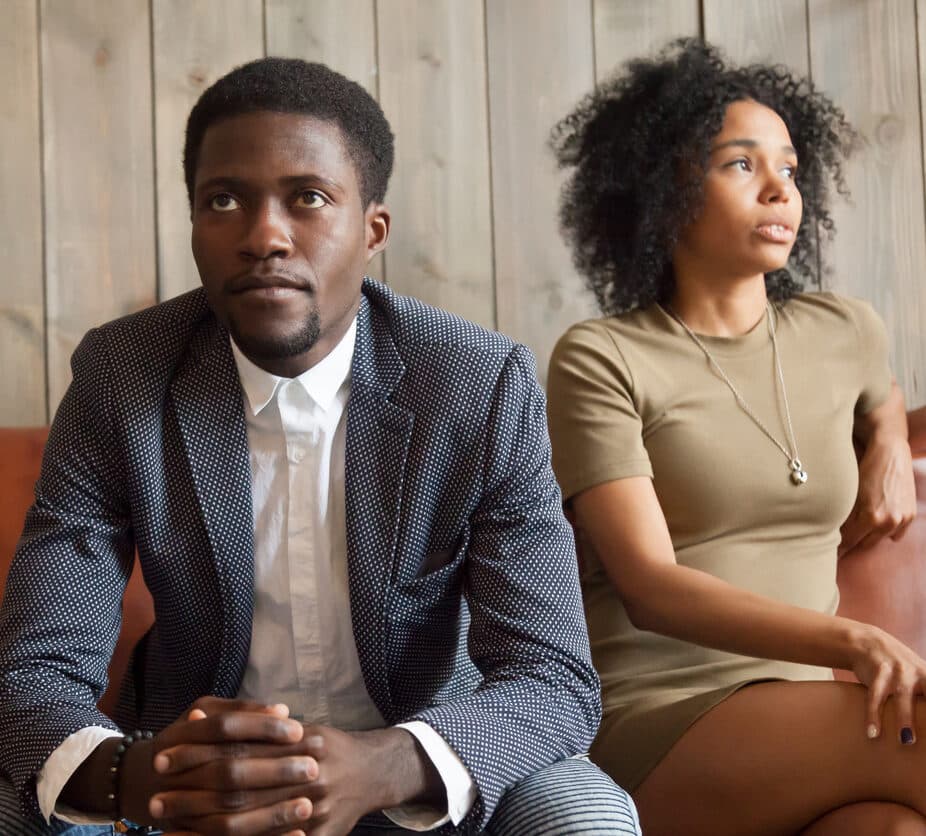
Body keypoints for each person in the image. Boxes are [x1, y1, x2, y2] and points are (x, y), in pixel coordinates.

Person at [0, 58, 640, 836]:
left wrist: (389, 765)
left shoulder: (475, 382)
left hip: (419, 774)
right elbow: (34, 668)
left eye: (307, 198)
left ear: (373, 231)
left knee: (586, 813)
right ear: (196, 221)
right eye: (224, 200)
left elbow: (553, 677)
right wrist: (140, 777)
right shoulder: (122, 375)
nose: (263, 236)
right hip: (188, 780)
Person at [546, 38, 925, 835]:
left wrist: (888, 436)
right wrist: (852, 639)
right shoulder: (603, 357)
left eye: (788, 168)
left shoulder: (844, 329)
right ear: (666, 189)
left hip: (810, 710)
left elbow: (880, 390)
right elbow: (647, 585)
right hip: (666, 713)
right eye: (740, 165)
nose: (779, 191)